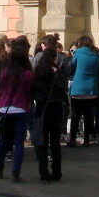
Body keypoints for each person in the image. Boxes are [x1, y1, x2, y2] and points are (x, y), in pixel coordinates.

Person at [0, 40, 33, 183]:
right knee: (18, 143)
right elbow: (29, 92)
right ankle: (16, 172)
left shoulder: (4, 72)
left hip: (5, 108)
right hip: (21, 108)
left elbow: (2, 89)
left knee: (3, 141)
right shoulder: (27, 74)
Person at [31, 47, 65, 183]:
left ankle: (43, 173)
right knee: (55, 144)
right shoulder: (58, 73)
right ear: (54, 58)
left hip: (42, 111)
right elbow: (63, 92)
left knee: (42, 143)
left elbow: (33, 92)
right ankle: (56, 171)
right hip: (55, 110)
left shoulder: (38, 73)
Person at [68, 36, 99, 147]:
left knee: (75, 116)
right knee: (89, 117)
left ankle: (72, 139)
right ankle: (87, 140)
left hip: (78, 89)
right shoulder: (96, 55)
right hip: (91, 89)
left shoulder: (77, 53)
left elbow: (72, 67)